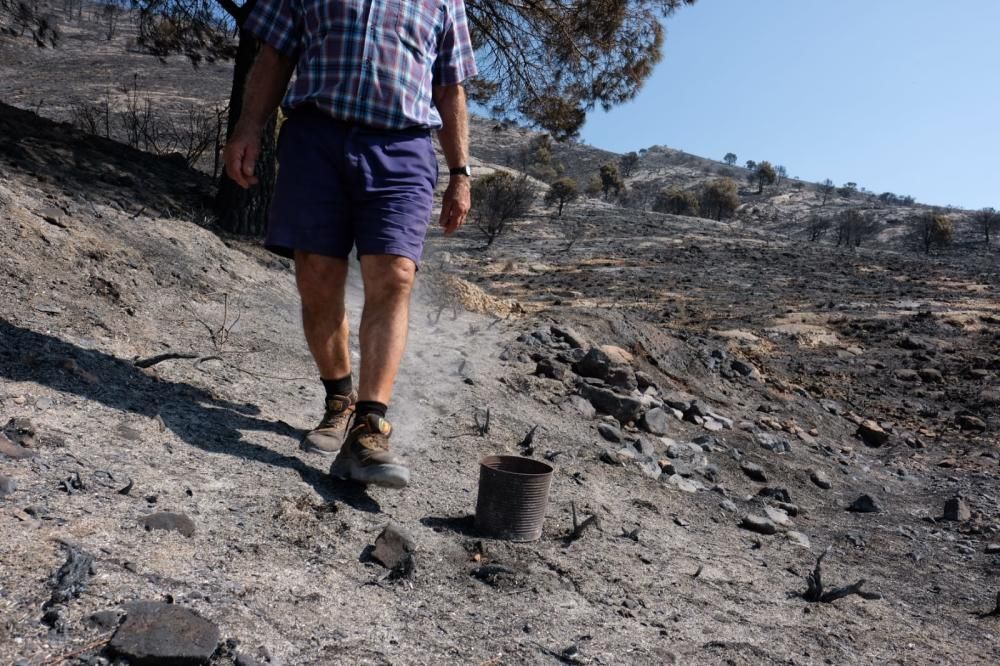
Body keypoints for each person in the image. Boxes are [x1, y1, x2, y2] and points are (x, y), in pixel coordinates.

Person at [223, 0, 477, 489]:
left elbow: (450, 87)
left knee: (396, 275)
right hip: (317, 136)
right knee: (317, 274)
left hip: (402, 146)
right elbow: (276, 54)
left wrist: (460, 174)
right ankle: (339, 398)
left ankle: (369, 428)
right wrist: (250, 125)